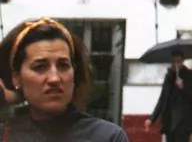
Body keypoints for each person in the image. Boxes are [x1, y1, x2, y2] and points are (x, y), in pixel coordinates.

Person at [0, 17, 128, 140]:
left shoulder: (107, 137)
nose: (54, 78)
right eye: (40, 67)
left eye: (63, 65)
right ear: (16, 77)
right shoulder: (6, 134)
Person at [145, 50, 192, 142]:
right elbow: (162, 99)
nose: (175, 64)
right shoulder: (169, 77)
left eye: (178, 61)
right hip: (169, 120)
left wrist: (183, 88)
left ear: (182, 61)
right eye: (173, 62)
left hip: (183, 121)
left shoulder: (191, 76)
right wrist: (152, 118)